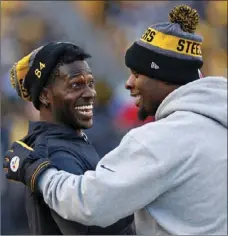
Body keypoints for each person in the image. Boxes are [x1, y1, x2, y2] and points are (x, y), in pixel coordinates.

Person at [4, 5, 227, 235]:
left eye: (137, 74)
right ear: (44, 96)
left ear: (164, 77)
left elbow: (88, 205)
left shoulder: (161, 140)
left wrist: (35, 170)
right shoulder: (218, 124)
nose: (129, 83)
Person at [3, 42, 135, 235]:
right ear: (46, 96)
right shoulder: (54, 152)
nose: (90, 93)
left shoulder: (71, 140)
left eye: (90, 83)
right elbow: (87, 229)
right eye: (76, 85)